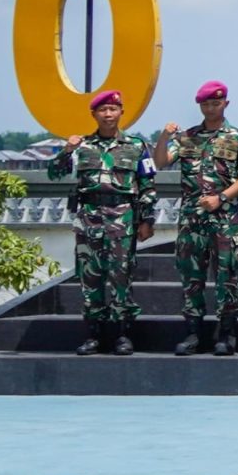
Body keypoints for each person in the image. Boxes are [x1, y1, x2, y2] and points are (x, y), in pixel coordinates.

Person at [151, 80, 238, 357]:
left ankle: (226, 332)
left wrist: (221, 197)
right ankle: (193, 333)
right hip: (191, 220)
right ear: (200, 106)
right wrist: (164, 137)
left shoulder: (237, 137)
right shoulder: (187, 137)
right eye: (206, 104)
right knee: (192, 278)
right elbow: (161, 162)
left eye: (216, 103)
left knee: (226, 276)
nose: (211, 108)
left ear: (226, 104)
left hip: (223, 218)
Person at [50, 91, 156, 355]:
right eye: (103, 110)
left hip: (123, 217)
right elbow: (54, 173)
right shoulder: (83, 146)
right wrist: (66, 150)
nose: (108, 115)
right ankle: (93, 335)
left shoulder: (137, 146)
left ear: (121, 112)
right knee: (90, 278)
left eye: (113, 109)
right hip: (89, 218)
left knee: (121, 276)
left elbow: (147, 184)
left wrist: (147, 219)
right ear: (94, 115)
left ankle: (122, 334)